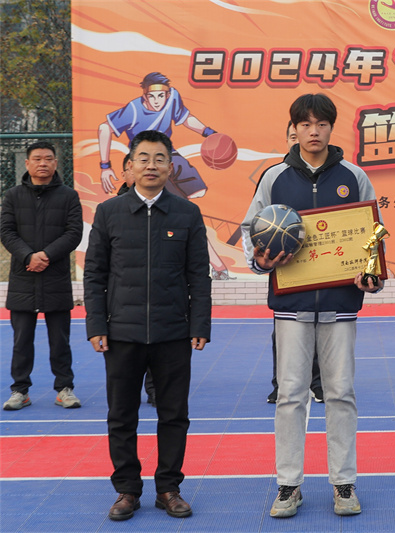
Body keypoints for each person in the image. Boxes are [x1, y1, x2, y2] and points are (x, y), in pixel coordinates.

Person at [240, 93, 382, 518]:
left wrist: (371, 275)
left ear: (331, 128)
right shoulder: (274, 177)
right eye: (305, 124)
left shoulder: (354, 177)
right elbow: (251, 230)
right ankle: (288, 485)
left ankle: (344, 483)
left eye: (321, 124)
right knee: (290, 395)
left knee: (341, 393)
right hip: (292, 305)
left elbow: (372, 234)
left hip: (340, 305)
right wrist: (260, 260)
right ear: (294, 128)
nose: (314, 131)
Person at [84, 130, 212, 521]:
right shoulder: (109, 213)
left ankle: (169, 488)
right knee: (121, 416)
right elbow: (94, 274)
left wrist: (199, 324)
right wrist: (96, 324)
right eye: (143, 158)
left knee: (174, 415)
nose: (151, 165)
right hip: (121, 332)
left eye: (159, 159)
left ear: (170, 167)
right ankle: (127, 490)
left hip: (173, 332)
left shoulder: (187, 214)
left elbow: (198, 275)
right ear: (129, 166)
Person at [97, 71, 231, 280]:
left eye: (161, 96)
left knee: (195, 197)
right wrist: (105, 166)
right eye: (152, 96)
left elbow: (186, 119)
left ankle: (216, 267)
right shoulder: (133, 110)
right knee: (181, 217)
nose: (157, 101)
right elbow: (104, 127)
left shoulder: (173, 97)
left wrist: (209, 133)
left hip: (168, 156)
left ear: (168, 95)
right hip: (149, 164)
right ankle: (218, 267)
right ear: (144, 96)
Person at [1, 141, 83, 411]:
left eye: (48, 158)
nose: (43, 163)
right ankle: (20, 391)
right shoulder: (12, 196)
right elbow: (6, 232)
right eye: (37, 159)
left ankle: (64, 389)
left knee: (60, 340)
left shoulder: (69, 196)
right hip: (23, 278)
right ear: (27, 163)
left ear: (56, 163)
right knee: (21, 341)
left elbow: (74, 233)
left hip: (55, 277)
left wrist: (46, 255)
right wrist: (28, 257)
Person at [261, 121, 322, 405]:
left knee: (323, 331)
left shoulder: (334, 177)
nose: (300, 140)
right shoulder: (275, 177)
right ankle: (280, 383)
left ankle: (318, 383)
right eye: (293, 136)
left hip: (324, 270)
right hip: (288, 275)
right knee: (283, 335)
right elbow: (258, 224)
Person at [116, 153, 157, 408]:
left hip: (156, 296)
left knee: (156, 347)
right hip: (125, 298)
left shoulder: (169, 208)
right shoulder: (113, 210)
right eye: (133, 168)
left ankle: (154, 390)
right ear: (126, 172)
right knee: (127, 354)